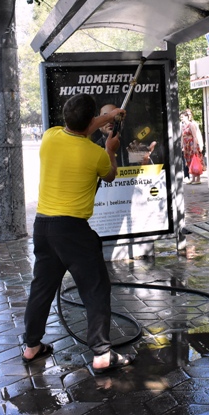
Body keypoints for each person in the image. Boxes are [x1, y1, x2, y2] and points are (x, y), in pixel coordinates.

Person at [21, 94, 135, 374]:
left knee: (41, 288)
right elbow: (109, 175)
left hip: (43, 228)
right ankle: (101, 355)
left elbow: (84, 125)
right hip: (72, 231)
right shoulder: (94, 153)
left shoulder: (50, 136)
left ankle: (32, 346)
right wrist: (110, 148)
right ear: (91, 122)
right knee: (95, 289)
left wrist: (109, 117)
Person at [95, 103, 159, 165]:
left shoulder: (132, 147)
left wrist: (145, 161)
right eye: (106, 117)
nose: (111, 121)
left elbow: (147, 172)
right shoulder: (92, 149)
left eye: (116, 117)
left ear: (122, 121)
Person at [181, 109, 204, 184]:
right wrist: (182, 146)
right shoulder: (183, 126)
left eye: (182, 117)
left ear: (186, 117)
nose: (181, 119)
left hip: (192, 145)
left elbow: (195, 136)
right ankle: (193, 178)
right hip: (186, 146)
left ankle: (198, 179)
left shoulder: (191, 125)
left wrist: (194, 146)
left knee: (196, 160)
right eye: (181, 117)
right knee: (190, 161)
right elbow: (182, 136)